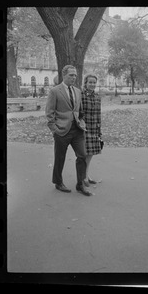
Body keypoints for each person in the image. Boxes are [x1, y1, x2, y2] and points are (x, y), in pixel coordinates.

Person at [45, 65, 93, 196]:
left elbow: (79, 111)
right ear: (64, 75)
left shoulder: (78, 91)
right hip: (61, 131)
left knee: (82, 156)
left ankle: (80, 185)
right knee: (60, 158)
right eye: (71, 75)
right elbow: (49, 113)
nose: (74, 77)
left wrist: (81, 122)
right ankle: (58, 182)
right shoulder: (55, 91)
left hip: (77, 130)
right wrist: (54, 129)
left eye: (75, 75)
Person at [81, 74, 102, 187]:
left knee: (91, 154)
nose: (92, 84)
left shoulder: (97, 97)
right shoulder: (81, 95)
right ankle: (83, 177)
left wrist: (99, 130)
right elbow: (79, 112)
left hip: (94, 129)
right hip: (84, 129)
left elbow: (99, 115)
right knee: (84, 154)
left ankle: (86, 175)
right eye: (90, 82)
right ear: (86, 83)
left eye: (94, 82)